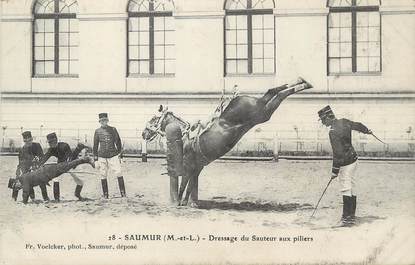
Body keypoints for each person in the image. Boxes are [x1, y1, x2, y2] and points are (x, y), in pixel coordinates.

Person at [318, 105, 372, 225]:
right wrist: (367, 130)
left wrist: (334, 171)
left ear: (328, 117)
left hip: (346, 164)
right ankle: (351, 215)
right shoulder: (344, 121)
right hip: (354, 159)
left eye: (323, 120)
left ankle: (346, 218)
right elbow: (358, 125)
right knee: (352, 185)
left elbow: (337, 153)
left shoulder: (332, 132)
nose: (323, 122)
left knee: (345, 187)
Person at [8, 157, 95, 204]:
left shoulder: (23, 179)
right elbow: (29, 190)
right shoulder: (23, 180)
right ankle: (84, 159)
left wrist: (24, 203)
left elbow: (26, 192)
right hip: (47, 172)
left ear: (16, 182)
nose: (18, 188)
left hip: (48, 171)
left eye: (16, 187)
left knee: (68, 165)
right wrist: (33, 200)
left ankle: (86, 159)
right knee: (67, 166)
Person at [39, 132, 88, 201]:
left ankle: (77, 194)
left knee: (80, 181)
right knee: (56, 179)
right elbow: (45, 157)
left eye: (51, 142)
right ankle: (57, 199)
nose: (50, 144)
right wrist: (39, 165)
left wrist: (67, 165)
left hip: (71, 163)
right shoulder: (51, 149)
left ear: (56, 140)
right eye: (49, 142)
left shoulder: (64, 145)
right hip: (60, 165)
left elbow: (70, 158)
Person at [93, 113, 125, 199]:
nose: (104, 122)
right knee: (103, 174)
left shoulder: (113, 129)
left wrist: (120, 156)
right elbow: (95, 146)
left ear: (107, 120)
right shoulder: (97, 131)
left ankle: (123, 194)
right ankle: (106, 194)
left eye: (105, 120)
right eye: (102, 120)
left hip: (113, 155)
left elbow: (118, 142)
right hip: (102, 156)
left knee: (119, 172)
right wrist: (95, 159)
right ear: (100, 122)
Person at [13, 131, 49, 202]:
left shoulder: (37, 145)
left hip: (37, 166)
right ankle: (33, 198)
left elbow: (41, 157)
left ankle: (45, 198)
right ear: (24, 141)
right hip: (27, 168)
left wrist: (37, 165)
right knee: (27, 179)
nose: (28, 142)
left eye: (30, 140)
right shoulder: (22, 150)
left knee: (42, 180)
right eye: (26, 141)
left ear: (32, 139)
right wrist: (23, 171)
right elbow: (21, 163)